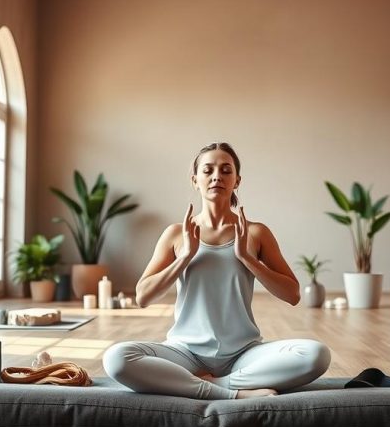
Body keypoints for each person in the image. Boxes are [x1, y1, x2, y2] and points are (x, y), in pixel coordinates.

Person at [102, 142, 331, 399]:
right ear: (195, 180)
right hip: (184, 352)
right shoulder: (177, 234)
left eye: (225, 170)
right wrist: (185, 256)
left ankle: (214, 385)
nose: (216, 177)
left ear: (237, 180)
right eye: (208, 170)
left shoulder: (256, 233)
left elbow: (293, 294)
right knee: (116, 358)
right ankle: (231, 392)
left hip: (243, 353)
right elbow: (143, 296)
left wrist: (248, 259)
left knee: (316, 355)